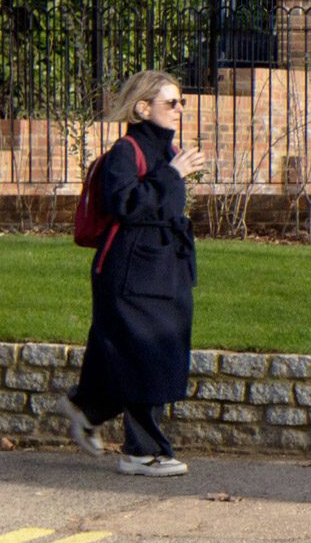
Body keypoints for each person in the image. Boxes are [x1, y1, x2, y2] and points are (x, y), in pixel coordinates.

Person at [60, 70, 206, 476]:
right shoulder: (127, 152)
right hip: (130, 273)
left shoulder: (167, 152)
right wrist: (173, 174)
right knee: (145, 357)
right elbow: (126, 203)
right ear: (143, 108)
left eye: (181, 102)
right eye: (171, 103)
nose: (179, 110)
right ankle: (142, 451)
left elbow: (165, 208)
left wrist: (174, 171)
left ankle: (86, 407)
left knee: (158, 355)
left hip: (166, 271)